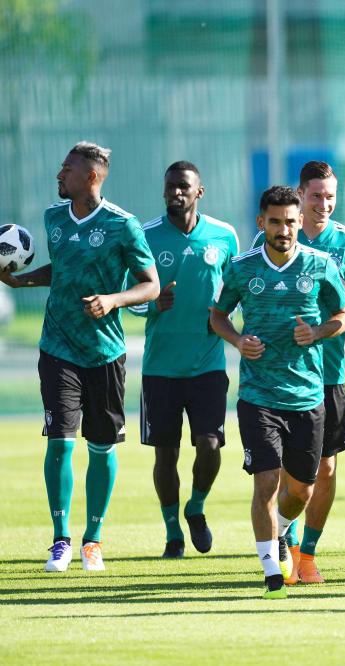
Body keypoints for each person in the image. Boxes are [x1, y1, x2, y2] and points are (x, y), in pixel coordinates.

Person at [0, 142, 160, 572]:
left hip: (105, 352)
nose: (59, 175)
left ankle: (93, 540)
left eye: (67, 169)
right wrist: (20, 282)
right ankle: (61, 540)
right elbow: (61, 269)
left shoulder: (123, 225)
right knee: (60, 442)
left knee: (102, 449)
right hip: (57, 347)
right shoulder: (54, 217)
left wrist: (113, 300)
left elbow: (151, 286)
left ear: (91, 176)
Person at [210, 185, 345, 599]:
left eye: (291, 221)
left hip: (308, 395)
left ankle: (285, 529)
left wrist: (319, 331)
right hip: (257, 395)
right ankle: (272, 567)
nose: (284, 229)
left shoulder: (321, 265)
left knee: (301, 490)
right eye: (275, 221)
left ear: (300, 222)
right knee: (266, 482)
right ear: (261, 223)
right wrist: (237, 341)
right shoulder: (240, 268)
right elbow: (217, 316)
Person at [250, 161, 345, 584]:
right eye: (316, 195)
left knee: (323, 472)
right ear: (300, 196)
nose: (323, 204)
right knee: (281, 478)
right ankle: (278, 537)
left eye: (330, 196)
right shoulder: (268, 238)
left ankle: (306, 554)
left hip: (328, 377)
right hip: (275, 380)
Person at [129, 161, 239, 559]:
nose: (176, 192)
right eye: (170, 187)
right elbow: (131, 299)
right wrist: (153, 304)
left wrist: (227, 319)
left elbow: (238, 289)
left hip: (208, 363)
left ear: (199, 192)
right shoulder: (145, 236)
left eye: (183, 186)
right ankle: (173, 531)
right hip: (160, 367)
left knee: (210, 444)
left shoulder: (224, 235)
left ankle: (196, 506)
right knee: (166, 453)